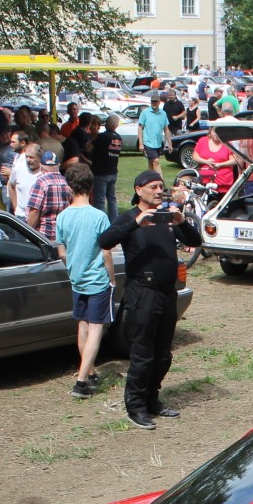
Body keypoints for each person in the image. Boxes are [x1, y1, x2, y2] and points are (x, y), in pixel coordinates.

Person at [98, 171, 203, 429]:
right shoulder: (128, 218)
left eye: (161, 186)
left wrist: (181, 222)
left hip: (167, 294)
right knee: (143, 354)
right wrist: (136, 223)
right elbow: (105, 241)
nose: (159, 191)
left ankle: (153, 400)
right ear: (138, 189)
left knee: (163, 354)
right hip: (142, 293)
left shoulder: (166, 219)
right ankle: (136, 406)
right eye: (153, 187)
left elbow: (195, 241)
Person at [57, 164, 117, 399]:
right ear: (91, 187)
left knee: (82, 325)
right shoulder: (98, 216)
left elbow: (62, 252)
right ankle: (81, 382)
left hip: (77, 279)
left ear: (69, 187)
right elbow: (107, 253)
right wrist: (111, 279)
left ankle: (89, 372)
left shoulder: (62, 217)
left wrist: (73, 266)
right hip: (97, 280)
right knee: (95, 328)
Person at [89, 114, 123, 221]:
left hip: (101, 173)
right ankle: (114, 221)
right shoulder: (118, 138)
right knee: (112, 199)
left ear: (107, 123)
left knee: (100, 201)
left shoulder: (102, 136)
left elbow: (89, 148)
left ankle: (101, 223)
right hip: (113, 172)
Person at [192, 123, 238, 198]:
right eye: (214, 131)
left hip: (223, 182)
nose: (216, 134)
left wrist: (220, 164)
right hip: (204, 181)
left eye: (218, 132)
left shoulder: (227, 143)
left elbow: (234, 161)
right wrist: (206, 161)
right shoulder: (202, 141)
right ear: (210, 131)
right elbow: (195, 156)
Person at [7, 142, 44, 222]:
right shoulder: (18, 168)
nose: (28, 160)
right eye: (26, 157)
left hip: (39, 217)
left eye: (31, 157)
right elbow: (10, 186)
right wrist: (15, 206)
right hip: (21, 216)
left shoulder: (44, 172)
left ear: (39, 157)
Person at [138, 93, 172, 168]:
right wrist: (141, 143)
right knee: (156, 162)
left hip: (158, 143)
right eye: (152, 101)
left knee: (151, 164)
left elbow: (166, 129)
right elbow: (140, 128)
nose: (154, 103)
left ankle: (150, 178)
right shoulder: (145, 112)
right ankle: (161, 179)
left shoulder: (163, 113)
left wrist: (170, 144)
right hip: (148, 142)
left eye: (156, 101)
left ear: (159, 102)